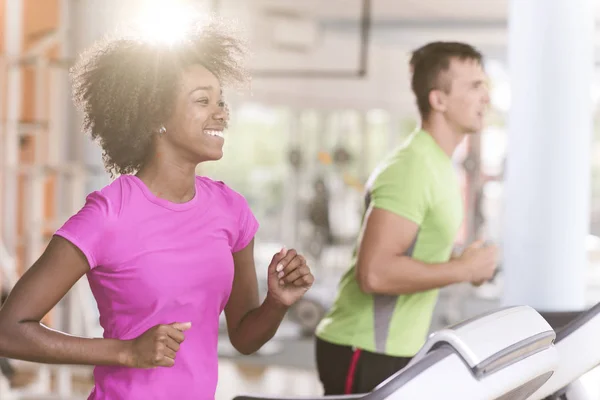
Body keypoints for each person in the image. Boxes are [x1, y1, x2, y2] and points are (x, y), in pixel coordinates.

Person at [0, 16, 314, 399]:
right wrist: (126, 351)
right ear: (156, 115)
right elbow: (10, 331)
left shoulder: (231, 211)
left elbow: (245, 337)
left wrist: (276, 304)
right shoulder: (108, 215)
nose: (221, 113)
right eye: (203, 101)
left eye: (221, 101)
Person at [314, 41, 498, 394]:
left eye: (485, 86)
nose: (486, 97)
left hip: (395, 348)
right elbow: (375, 272)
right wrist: (463, 270)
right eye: (475, 86)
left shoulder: (438, 164)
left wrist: (462, 263)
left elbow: (411, 255)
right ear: (438, 100)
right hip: (363, 347)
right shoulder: (411, 168)